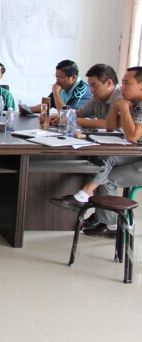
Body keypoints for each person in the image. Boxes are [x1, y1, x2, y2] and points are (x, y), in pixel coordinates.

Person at [50, 66, 142, 238]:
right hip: (135, 153)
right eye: (122, 83)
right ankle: (108, 225)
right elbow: (111, 126)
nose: (122, 87)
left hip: (138, 156)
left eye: (127, 83)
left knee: (105, 165)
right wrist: (117, 107)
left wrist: (122, 107)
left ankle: (83, 196)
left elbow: (132, 135)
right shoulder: (131, 103)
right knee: (104, 171)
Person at [49, 63, 121, 129]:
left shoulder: (120, 97)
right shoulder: (97, 98)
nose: (91, 90)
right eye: (90, 85)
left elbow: (109, 124)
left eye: (94, 85)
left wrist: (70, 119)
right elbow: (79, 113)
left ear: (109, 83)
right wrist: (61, 116)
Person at [22, 59, 92, 114]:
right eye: (56, 77)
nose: (57, 81)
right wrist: (27, 109)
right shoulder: (62, 86)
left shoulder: (82, 88)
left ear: (73, 78)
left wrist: (55, 92)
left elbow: (66, 113)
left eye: (60, 78)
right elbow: (46, 106)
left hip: (83, 126)